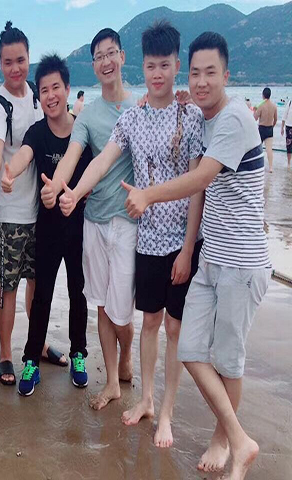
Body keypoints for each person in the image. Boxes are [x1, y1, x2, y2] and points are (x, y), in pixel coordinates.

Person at [122, 31, 271, 480]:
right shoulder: (203, 117)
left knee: (228, 361)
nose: (202, 81)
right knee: (188, 347)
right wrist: (178, 102)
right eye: (196, 73)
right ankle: (239, 439)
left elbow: (201, 178)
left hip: (241, 263)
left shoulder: (234, 119)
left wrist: (148, 194)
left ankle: (226, 441)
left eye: (211, 73)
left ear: (227, 75)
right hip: (211, 259)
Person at [60, 21, 205, 448]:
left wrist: (188, 247)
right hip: (147, 239)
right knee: (149, 324)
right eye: (152, 66)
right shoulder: (133, 119)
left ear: (177, 65)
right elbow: (101, 161)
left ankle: (167, 413)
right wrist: (75, 193)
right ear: (142, 66)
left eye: (165, 65)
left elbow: (198, 185)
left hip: (182, 241)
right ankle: (145, 399)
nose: (158, 74)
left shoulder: (191, 116)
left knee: (174, 329)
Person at [44, 28, 138, 410]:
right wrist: (59, 189)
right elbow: (73, 155)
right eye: (98, 56)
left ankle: (127, 353)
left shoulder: (140, 108)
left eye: (111, 53)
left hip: (129, 222)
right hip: (95, 221)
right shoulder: (88, 115)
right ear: (94, 64)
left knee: (122, 311)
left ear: (122, 57)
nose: (105, 61)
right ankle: (112, 381)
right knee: (100, 303)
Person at [0, 54, 92, 397]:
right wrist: (10, 172)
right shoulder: (38, 132)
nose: (51, 95)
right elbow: (25, 154)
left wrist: (78, 196)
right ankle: (31, 360)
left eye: (56, 87)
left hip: (80, 227)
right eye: (44, 90)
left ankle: (79, 353)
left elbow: (95, 175)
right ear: (38, 96)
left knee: (79, 292)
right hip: (48, 228)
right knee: (42, 295)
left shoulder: (82, 130)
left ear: (67, 89)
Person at [0, 22, 70, 387]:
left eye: (20, 60)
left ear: (28, 58)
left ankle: (38, 343)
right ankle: (6, 353)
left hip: (41, 210)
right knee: (10, 285)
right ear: (0, 63)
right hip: (10, 212)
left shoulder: (38, 96)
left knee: (39, 282)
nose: (15, 68)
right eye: (8, 62)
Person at [254, 87, 277, 173]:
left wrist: (254, 110)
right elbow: (275, 119)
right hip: (269, 128)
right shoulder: (274, 106)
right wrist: (272, 126)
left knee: (258, 148)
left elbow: (255, 118)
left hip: (262, 128)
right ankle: (270, 167)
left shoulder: (261, 106)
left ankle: (257, 165)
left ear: (263, 95)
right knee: (269, 149)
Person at [281, 97, 292, 167]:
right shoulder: (290, 103)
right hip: (289, 126)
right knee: (289, 146)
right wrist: (282, 127)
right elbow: (284, 116)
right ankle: (289, 163)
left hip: (289, 126)